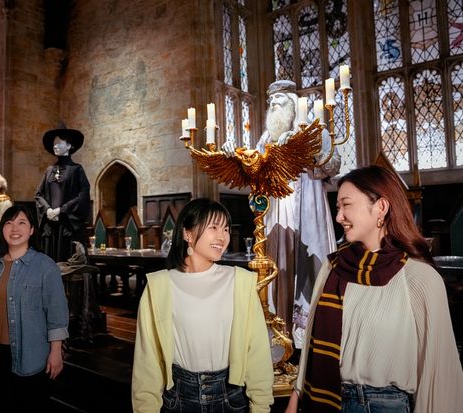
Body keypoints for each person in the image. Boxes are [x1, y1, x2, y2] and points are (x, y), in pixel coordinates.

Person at [285, 165, 463, 413]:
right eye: (337, 207)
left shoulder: (419, 277)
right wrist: (296, 396)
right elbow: (311, 345)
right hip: (327, 401)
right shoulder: (333, 267)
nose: (338, 217)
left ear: (381, 207)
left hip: (385, 405)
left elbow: (439, 371)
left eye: (346, 205)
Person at [132, 198, 274, 412]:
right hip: (178, 398)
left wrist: (261, 406)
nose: (222, 237)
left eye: (226, 229)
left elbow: (258, 352)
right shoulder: (159, 285)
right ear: (187, 234)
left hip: (231, 397)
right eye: (213, 227)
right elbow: (147, 360)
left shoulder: (240, 281)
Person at [257, 79, 340, 348]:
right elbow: (255, 170)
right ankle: (280, 334)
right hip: (278, 211)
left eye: (279, 100)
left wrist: (308, 149)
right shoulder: (267, 139)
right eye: (271, 102)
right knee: (279, 266)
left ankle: (310, 337)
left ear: (293, 105)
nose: (273, 104)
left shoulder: (314, 130)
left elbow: (333, 164)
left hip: (309, 207)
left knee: (310, 262)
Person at [0, 205, 69, 413]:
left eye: (22, 223)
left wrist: (56, 352)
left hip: (32, 354)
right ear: (2, 230)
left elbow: (57, 313)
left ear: (32, 230)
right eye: (9, 223)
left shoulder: (45, 266)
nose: (15, 228)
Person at [35, 126, 90, 262]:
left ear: (69, 146)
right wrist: (48, 210)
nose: (55, 146)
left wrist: (61, 210)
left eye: (59, 143)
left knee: (67, 262)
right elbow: (38, 194)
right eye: (54, 144)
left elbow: (83, 195)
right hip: (51, 227)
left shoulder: (77, 169)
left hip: (68, 226)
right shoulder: (49, 170)